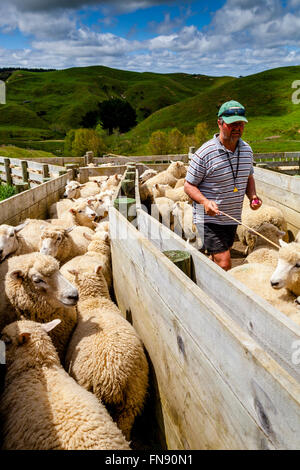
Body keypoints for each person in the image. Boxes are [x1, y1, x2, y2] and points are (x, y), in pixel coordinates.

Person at [184, 100, 262, 271]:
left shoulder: (247, 150)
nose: (237, 127)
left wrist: (253, 196)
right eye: (232, 124)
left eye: (240, 124)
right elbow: (188, 185)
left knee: (218, 259)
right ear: (220, 123)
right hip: (209, 218)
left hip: (232, 216)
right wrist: (205, 202)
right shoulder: (205, 153)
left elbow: (248, 176)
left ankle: (208, 287)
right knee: (225, 262)